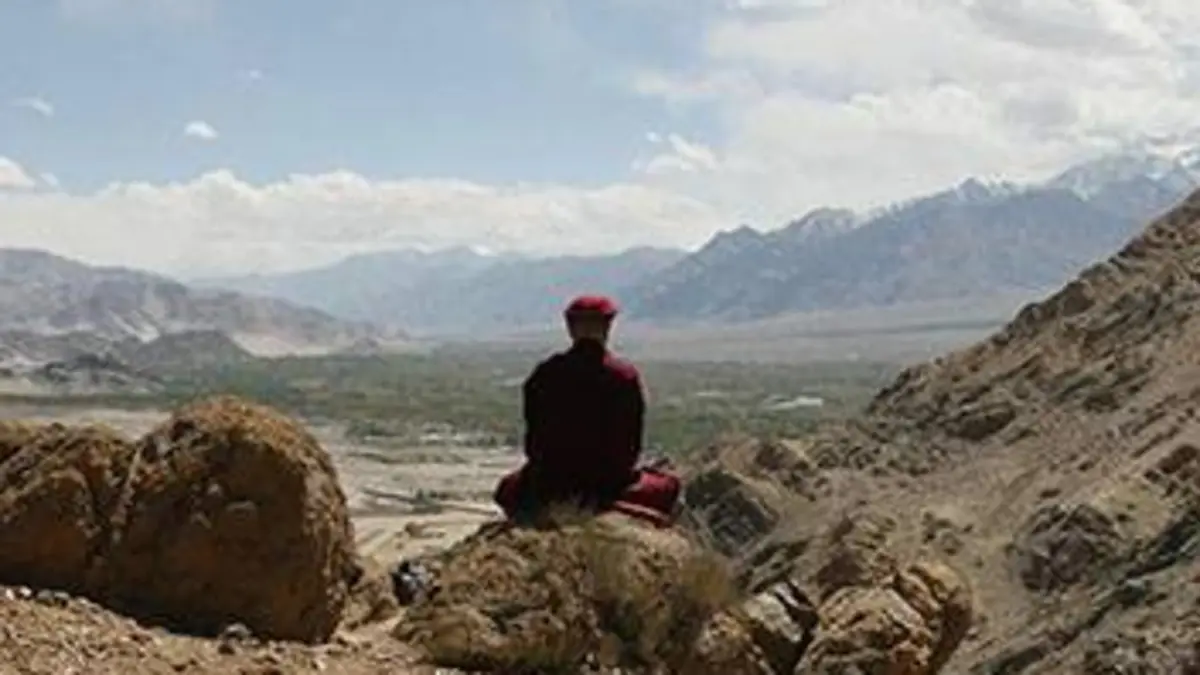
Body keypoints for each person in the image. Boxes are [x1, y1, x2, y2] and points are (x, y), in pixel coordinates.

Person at [493, 294, 680, 526]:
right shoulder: (623, 376)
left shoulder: (544, 374)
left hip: (548, 484)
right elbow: (630, 447)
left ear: (570, 329)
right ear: (607, 328)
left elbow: (533, 442)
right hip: (607, 486)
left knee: (507, 488)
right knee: (669, 485)